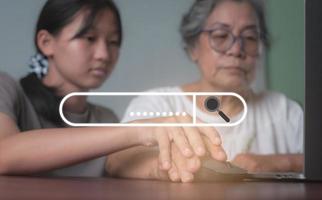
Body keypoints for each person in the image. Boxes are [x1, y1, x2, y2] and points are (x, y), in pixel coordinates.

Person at [0, 0, 226, 178]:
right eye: (89, 38)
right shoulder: (7, 88)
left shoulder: (105, 118)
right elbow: (4, 153)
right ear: (46, 42)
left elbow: (121, 167)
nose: (104, 54)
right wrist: (139, 131)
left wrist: (178, 165)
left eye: (113, 42)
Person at [107, 0, 303, 182]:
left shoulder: (284, 110)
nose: (236, 50)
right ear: (193, 48)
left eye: (250, 37)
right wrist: (165, 165)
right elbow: (115, 160)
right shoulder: (157, 103)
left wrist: (280, 163)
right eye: (220, 36)